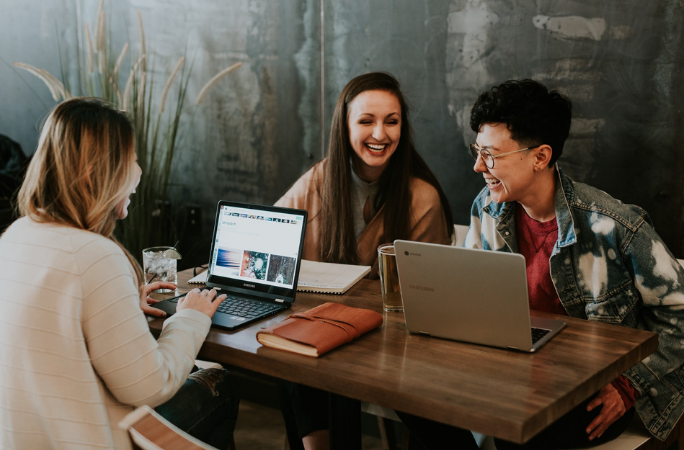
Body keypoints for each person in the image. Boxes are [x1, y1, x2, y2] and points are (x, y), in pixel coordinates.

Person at [0, 98, 238, 450]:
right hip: (88, 439)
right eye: (132, 159)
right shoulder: (95, 255)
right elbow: (150, 386)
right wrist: (189, 319)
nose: (139, 172)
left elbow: (49, 332)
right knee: (220, 385)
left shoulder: (14, 237)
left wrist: (119, 303)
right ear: (97, 172)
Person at [461, 79, 684, 449]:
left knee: (525, 425)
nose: (477, 166)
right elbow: (473, 297)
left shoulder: (613, 225)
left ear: (540, 157)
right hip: (516, 372)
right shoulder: (486, 208)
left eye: (490, 155)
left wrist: (630, 385)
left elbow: (679, 312)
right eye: (477, 151)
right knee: (414, 399)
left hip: (594, 385)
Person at [275, 72, 454, 450]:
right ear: (345, 126)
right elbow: (273, 239)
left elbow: (427, 299)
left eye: (392, 121)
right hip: (321, 333)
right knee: (291, 355)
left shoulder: (422, 198)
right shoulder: (320, 179)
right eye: (366, 121)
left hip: (393, 347)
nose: (380, 134)